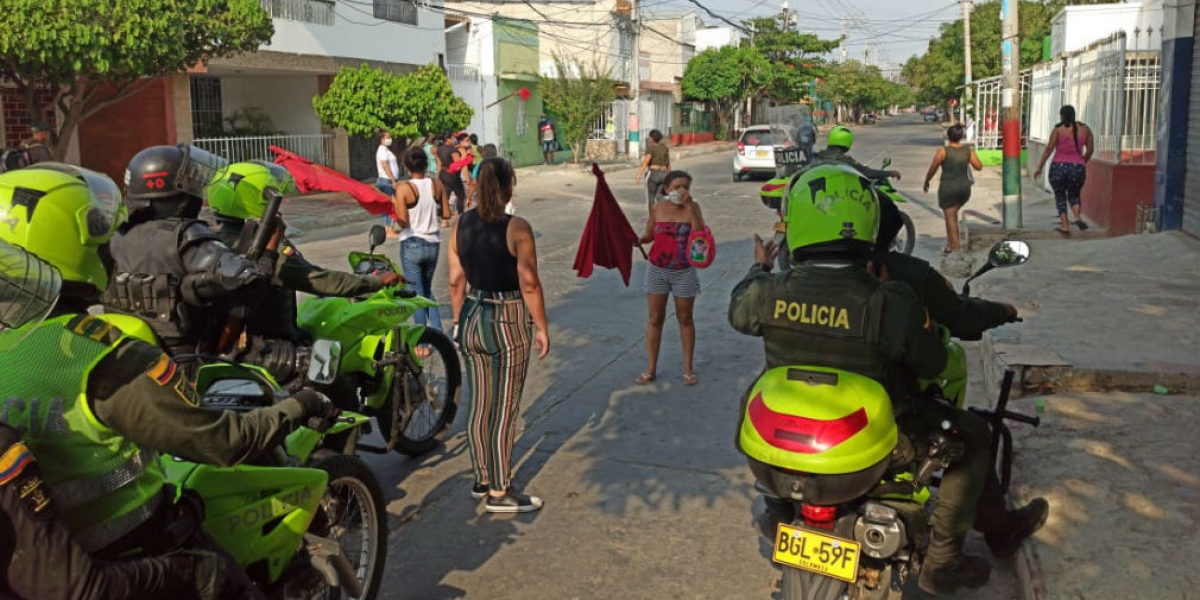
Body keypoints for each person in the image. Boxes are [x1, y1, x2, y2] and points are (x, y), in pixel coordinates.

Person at [0, 164, 339, 596]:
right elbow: (223, 441)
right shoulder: (101, 356)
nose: (109, 244)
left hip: (41, 565)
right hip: (135, 550)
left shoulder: (14, 342)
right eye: (99, 230)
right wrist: (303, 404)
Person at [727, 163, 1041, 595]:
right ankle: (943, 559)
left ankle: (780, 504)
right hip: (887, 434)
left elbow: (739, 311)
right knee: (973, 435)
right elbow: (933, 364)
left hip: (781, 445)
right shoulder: (888, 297)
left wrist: (759, 267)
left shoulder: (766, 290)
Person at [206, 160, 404, 385]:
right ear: (259, 201)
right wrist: (374, 282)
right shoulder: (263, 249)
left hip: (233, 348)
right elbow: (320, 280)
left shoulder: (212, 241)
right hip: (272, 350)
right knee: (339, 384)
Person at [102, 145, 274, 359]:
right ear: (172, 192)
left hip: (125, 355)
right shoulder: (185, 235)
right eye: (189, 186)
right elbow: (244, 276)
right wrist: (265, 256)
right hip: (187, 364)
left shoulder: (114, 235)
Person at [448, 157, 550, 513]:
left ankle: (482, 477)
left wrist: (459, 321)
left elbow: (455, 280)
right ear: (509, 186)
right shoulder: (517, 227)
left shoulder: (460, 224)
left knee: (480, 403)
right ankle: (499, 490)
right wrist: (541, 326)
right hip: (506, 319)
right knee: (504, 407)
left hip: (473, 313)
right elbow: (529, 283)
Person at [636, 171, 704, 387]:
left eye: (685, 187)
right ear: (666, 189)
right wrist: (637, 240)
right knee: (655, 319)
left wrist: (690, 206)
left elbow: (699, 233)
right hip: (657, 270)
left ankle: (688, 369)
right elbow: (649, 236)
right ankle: (651, 368)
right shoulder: (656, 209)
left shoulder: (692, 208)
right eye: (677, 187)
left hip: (684, 270)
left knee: (685, 319)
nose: (681, 191)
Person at [394, 148, 450, 346]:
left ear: (407, 167)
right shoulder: (436, 184)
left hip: (412, 243)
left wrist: (393, 210)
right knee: (427, 291)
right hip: (433, 244)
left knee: (416, 295)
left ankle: (422, 343)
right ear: (426, 164)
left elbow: (403, 222)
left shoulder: (403, 189)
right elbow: (447, 214)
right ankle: (438, 335)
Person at [923, 124, 982, 254]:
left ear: (948, 137)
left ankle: (957, 251)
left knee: (951, 218)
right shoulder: (968, 150)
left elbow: (933, 168)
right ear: (961, 137)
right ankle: (949, 245)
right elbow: (979, 166)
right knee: (952, 216)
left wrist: (927, 181)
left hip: (948, 189)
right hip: (964, 190)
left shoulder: (942, 151)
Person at [1033, 105, 1093, 234]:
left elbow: (1049, 149)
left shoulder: (1058, 130)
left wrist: (1040, 167)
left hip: (1058, 168)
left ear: (1062, 116)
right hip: (1077, 168)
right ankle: (1077, 216)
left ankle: (1065, 226)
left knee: (1060, 196)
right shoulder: (1086, 129)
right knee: (1074, 194)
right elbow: (1090, 149)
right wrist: (1082, 162)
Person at [814, 125, 901, 181]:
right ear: (848, 141)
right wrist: (889, 173)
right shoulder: (845, 159)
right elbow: (866, 172)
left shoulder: (817, 156)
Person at [635, 129, 671, 218]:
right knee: (659, 195)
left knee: (650, 197)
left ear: (652, 138)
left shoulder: (651, 148)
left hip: (653, 174)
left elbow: (646, 162)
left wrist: (639, 174)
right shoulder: (664, 147)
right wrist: (670, 175)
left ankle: (651, 217)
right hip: (664, 173)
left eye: (650, 137)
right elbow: (668, 163)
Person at [375, 128, 401, 234]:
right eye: (388, 137)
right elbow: (385, 165)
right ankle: (389, 229)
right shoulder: (382, 150)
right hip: (386, 181)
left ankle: (390, 228)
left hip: (388, 180)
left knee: (390, 204)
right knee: (391, 204)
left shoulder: (386, 150)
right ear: (381, 139)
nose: (390, 139)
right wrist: (393, 180)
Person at [438, 134, 470, 216]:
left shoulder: (440, 149)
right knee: (461, 195)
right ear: (448, 139)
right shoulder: (453, 150)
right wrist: (465, 156)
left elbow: (439, 163)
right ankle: (461, 216)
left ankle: (444, 219)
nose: (454, 139)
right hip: (452, 175)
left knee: (445, 196)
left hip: (443, 173)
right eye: (452, 138)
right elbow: (458, 164)